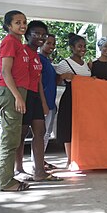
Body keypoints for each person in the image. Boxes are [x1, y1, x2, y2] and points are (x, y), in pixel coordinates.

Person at [14, 21, 61, 181]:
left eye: (43, 34)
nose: (40, 37)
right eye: (36, 34)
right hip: (24, 96)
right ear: (27, 34)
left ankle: (39, 171)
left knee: (40, 133)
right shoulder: (22, 51)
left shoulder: (38, 57)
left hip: (36, 98)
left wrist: (43, 103)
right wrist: (18, 97)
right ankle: (18, 169)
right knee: (20, 134)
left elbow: (39, 81)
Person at [0, 10, 31, 191]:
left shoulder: (18, 43)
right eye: (17, 22)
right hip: (10, 93)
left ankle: (1, 178)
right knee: (11, 140)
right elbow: (6, 72)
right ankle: (7, 182)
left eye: (24, 22)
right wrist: (17, 96)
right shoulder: (9, 41)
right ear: (9, 25)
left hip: (15, 92)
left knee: (6, 137)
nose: (22, 25)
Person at [56, 33, 92, 169]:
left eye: (84, 46)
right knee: (68, 127)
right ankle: (70, 159)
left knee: (83, 127)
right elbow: (56, 81)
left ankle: (81, 156)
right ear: (72, 47)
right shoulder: (64, 63)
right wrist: (64, 76)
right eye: (79, 46)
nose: (82, 49)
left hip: (85, 99)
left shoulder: (87, 65)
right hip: (70, 98)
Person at [38, 33, 59, 169]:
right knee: (42, 134)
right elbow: (39, 83)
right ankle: (38, 163)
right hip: (44, 103)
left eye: (53, 43)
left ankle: (41, 160)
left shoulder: (47, 61)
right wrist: (44, 103)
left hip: (50, 103)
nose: (51, 46)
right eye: (48, 43)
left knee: (46, 133)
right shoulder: (39, 59)